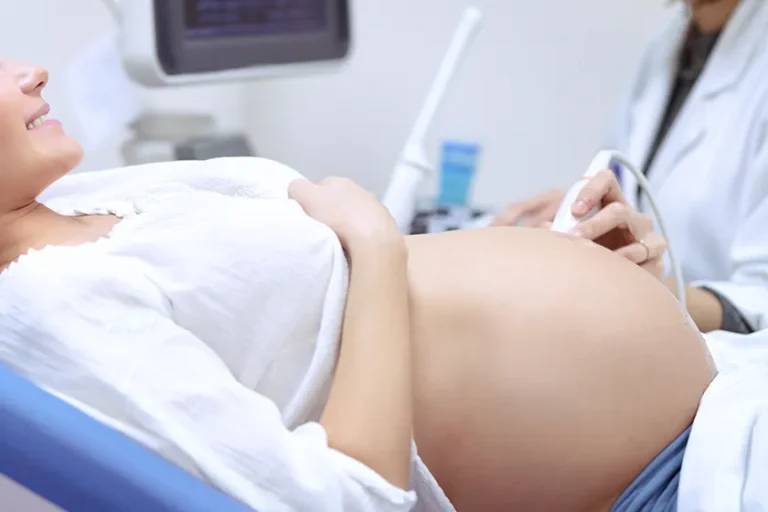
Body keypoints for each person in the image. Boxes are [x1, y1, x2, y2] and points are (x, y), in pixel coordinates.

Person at [0, 59, 727, 512]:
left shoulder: (77, 198)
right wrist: (379, 249)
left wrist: (540, 260)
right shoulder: (48, 306)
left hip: (710, 415)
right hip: (659, 484)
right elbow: (346, 501)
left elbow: (314, 297)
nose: (32, 71)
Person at [493, 0, 768, 335]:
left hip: (719, 354)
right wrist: (584, 213)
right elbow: (630, 179)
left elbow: (759, 303)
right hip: (638, 326)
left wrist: (643, 286)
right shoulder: (670, 44)